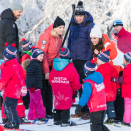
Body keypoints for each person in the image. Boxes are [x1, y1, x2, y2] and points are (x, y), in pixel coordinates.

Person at [68, 1, 95, 119]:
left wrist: (89, 59)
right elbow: (69, 40)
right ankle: (81, 109)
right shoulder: (72, 25)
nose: (78, 18)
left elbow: (91, 44)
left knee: (87, 86)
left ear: (84, 15)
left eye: (80, 16)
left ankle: (88, 110)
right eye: (77, 16)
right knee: (78, 85)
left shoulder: (90, 25)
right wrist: (69, 55)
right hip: (75, 60)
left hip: (85, 60)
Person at [36, 16, 65, 118]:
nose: (62, 29)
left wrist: (56, 69)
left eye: (63, 27)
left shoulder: (59, 38)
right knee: (43, 89)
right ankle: (42, 112)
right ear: (55, 27)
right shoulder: (46, 36)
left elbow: (56, 55)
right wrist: (47, 72)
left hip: (51, 67)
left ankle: (49, 111)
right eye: (60, 27)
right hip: (41, 66)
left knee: (50, 89)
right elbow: (42, 54)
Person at [49, 47, 81, 126]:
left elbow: (50, 78)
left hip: (56, 89)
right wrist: (76, 88)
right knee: (65, 104)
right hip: (67, 89)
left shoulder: (54, 66)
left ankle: (57, 119)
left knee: (57, 103)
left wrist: (54, 84)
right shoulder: (70, 67)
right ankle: (65, 121)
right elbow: (75, 79)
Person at [75, 60, 110, 131]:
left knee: (95, 127)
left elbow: (85, 95)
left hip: (95, 108)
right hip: (103, 107)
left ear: (86, 71)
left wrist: (79, 105)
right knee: (99, 124)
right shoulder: (99, 78)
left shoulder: (88, 82)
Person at [0, 43, 25, 129]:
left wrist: (0, 87)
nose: (4, 58)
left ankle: (15, 122)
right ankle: (11, 121)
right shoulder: (16, 64)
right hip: (15, 90)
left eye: (5, 57)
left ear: (7, 56)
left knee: (10, 107)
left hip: (11, 91)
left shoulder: (10, 66)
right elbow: (22, 76)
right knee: (9, 107)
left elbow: (4, 79)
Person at [23, 47, 46, 121]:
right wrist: (33, 86)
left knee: (32, 102)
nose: (42, 57)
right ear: (36, 56)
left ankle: (31, 116)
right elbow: (30, 76)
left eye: (42, 56)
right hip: (34, 87)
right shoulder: (34, 64)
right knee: (39, 102)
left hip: (34, 87)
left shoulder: (35, 64)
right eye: (40, 56)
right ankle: (41, 116)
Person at [96, 50, 119, 123]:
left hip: (102, 92)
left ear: (102, 60)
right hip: (111, 92)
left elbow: (96, 80)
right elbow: (117, 79)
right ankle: (111, 117)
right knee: (110, 105)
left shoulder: (99, 69)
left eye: (98, 59)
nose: (97, 60)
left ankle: (101, 118)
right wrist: (118, 88)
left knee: (102, 106)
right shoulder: (113, 68)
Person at [112, 52, 131, 126]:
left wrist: (118, 79)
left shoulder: (128, 68)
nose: (123, 61)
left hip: (127, 91)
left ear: (127, 60)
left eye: (123, 59)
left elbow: (127, 79)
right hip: (128, 90)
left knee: (127, 105)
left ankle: (126, 121)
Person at [20, 38, 34, 109]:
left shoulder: (26, 55)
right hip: (25, 76)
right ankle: (26, 104)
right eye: (31, 48)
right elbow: (24, 66)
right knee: (26, 91)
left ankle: (26, 103)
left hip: (25, 75)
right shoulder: (26, 56)